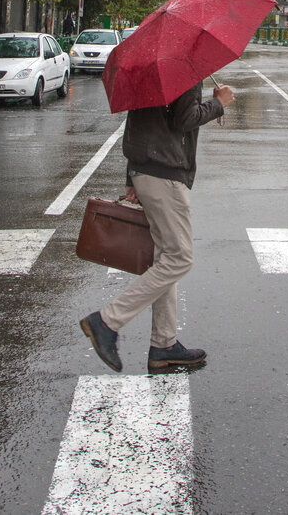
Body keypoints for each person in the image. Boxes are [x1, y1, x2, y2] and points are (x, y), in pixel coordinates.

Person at [80, 80, 235, 372]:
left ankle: (163, 345)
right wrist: (219, 104)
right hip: (165, 174)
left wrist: (132, 175)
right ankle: (106, 321)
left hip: (146, 170)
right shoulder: (184, 73)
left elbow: (137, 122)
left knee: (165, 258)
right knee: (179, 258)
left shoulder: (149, 73)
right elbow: (184, 119)